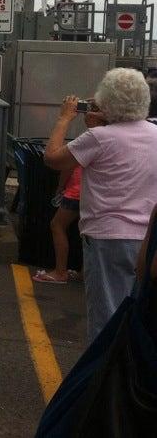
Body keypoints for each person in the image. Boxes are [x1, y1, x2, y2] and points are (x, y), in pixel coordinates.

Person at [44, 68, 157, 341]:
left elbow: (53, 158)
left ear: (106, 102)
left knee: (105, 316)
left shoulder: (99, 138)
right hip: (147, 238)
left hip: (107, 237)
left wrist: (64, 119)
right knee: (140, 314)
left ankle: (102, 378)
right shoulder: (154, 133)